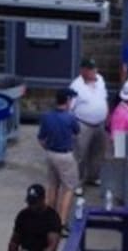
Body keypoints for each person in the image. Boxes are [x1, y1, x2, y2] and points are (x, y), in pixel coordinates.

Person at [37, 88, 80, 224]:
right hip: (65, 156)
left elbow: (41, 139)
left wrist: (48, 149)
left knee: (52, 186)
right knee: (68, 189)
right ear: (67, 100)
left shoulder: (46, 116)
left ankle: (48, 219)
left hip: (51, 154)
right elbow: (77, 131)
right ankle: (61, 222)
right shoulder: (70, 118)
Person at [70, 58, 109, 193]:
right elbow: (70, 107)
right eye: (91, 69)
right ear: (83, 70)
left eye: (95, 68)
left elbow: (104, 98)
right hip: (83, 124)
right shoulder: (76, 86)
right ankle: (77, 183)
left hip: (100, 124)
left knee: (98, 152)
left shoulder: (100, 80)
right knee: (80, 154)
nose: (94, 71)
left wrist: (106, 115)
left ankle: (93, 177)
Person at [8, 184, 62, 251]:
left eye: (34, 202)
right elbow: (14, 241)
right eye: (30, 202)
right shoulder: (23, 215)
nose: (31, 205)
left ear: (42, 199)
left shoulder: (52, 217)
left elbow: (52, 246)